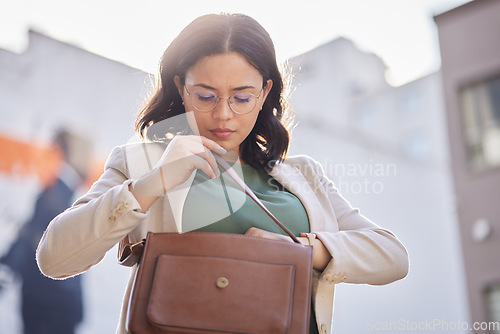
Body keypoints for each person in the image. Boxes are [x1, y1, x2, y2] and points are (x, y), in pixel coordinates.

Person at [36, 13, 409, 334]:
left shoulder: (303, 175)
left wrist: (305, 251)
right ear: (181, 87)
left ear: (265, 93)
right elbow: (55, 258)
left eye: (242, 97)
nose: (224, 114)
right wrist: (153, 183)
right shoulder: (144, 164)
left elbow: (392, 255)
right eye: (206, 95)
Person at [1, 129, 90, 334]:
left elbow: (31, 239)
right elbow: (33, 239)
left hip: (48, 303)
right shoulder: (61, 196)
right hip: (54, 305)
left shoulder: (58, 194)